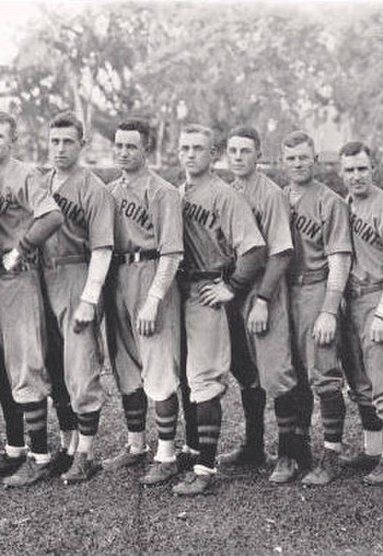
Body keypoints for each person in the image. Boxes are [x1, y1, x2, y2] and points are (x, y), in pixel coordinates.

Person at [173, 123, 266, 496]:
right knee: (185, 374)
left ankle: (205, 467)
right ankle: (195, 448)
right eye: (185, 147)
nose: (191, 154)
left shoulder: (224, 195)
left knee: (205, 378)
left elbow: (255, 250)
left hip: (209, 286)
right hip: (181, 288)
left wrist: (231, 287)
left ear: (213, 155)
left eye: (199, 148)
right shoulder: (178, 192)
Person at [0, 111, 65, 487]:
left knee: (26, 364)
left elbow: (52, 217)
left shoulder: (25, 174)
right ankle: (14, 449)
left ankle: (41, 456)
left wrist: (22, 248)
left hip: (18, 277)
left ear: (12, 140)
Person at [102, 118, 185, 487]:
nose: (123, 152)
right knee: (126, 366)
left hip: (150, 272)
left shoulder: (163, 191)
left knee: (159, 364)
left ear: (145, 149)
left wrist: (154, 298)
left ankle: (166, 454)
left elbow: (172, 253)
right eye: (118, 145)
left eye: (131, 146)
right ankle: (136, 445)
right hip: (117, 276)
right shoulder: (109, 190)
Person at [218, 126, 301, 483]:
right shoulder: (229, 191)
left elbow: (281, 253)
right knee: (245, 371)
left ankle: (289, 455)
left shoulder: (270, 194)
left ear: (258, 155)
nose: (238, 157)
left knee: (277, 373)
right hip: (234, 289)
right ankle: (253, 445)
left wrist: (264, 301)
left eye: (245, 151)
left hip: (264, 290)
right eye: (233, 151)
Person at [40, 111, 114, 483]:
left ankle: (86, 452)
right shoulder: (41, 182)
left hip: (77, 272)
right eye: (54, 141)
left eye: (68, 141)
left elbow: (102, 248)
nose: (60, 148)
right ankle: (67, 445)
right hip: (43, 276)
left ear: (82, 144)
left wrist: (89, 297)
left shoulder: (93, 187)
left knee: (82, 366)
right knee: (52, 365)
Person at [282, 130, 352, 486]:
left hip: (316, 288)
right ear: (283, 161)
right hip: (286, 292)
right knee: (291, 375)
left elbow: (339, 261)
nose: (298, 163)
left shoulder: (330, 201)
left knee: (324, 375)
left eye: (304, 157)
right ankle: (296, 452)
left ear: (315, 160)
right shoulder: (279, 198)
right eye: (291, 158)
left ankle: (331, 456)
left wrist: (328, 309)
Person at [338, 141, 383, 486]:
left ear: (373, 169)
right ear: (341, 173)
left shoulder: (382, 204)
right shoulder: (343, 206)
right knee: (359, 383)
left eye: (362, 168)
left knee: (382, 382)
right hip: (350, 300)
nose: (356, 176)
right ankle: (372, 450)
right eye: (350, 170)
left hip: (376, 297)